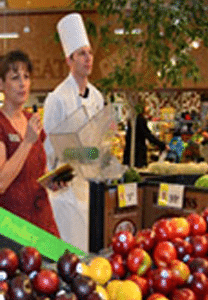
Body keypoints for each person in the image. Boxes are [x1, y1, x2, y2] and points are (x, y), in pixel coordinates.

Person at [43, 13, 105, 251]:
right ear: (69, 60)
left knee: (92, 250)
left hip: (92, 189)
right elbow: (49, 150)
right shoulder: (56, 99)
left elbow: (98, 145)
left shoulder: (97, 97)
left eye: (89, 53)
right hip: (65, 194)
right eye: (81, 54)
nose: (88, 59)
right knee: (68, 254)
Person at [0, 50, 60, 237]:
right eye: (15, 77)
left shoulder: (32, 120)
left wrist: (52, 181)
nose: (22, 84)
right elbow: (1, 183)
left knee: (60, 264)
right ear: (1, 84)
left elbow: (36, 172)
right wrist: (26, 142)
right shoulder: (2, 124)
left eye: (26, 77)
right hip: (13, 227)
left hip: (43, 219)